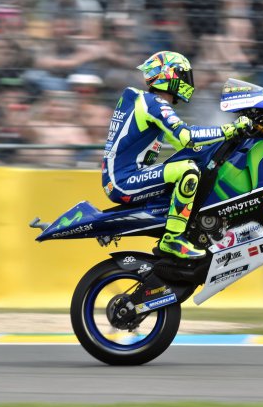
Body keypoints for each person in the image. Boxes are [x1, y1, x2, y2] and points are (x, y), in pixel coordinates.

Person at [102, 51, 252, 262]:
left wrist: (217, 141)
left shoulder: (146, 102)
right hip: (124, 181)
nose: (188, 82)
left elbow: (183, 142)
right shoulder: (153, 103)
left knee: (193, 158)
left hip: (123, 177)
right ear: (168, 76)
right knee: (188, 170)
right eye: (184, 76)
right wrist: (230, 129)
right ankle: (172, 239)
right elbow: (187, 136)